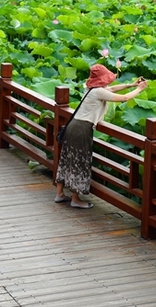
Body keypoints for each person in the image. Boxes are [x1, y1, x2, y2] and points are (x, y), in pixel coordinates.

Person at [55, 64, 148, 209]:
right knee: (79, 161)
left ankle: (60, 193)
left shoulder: (91, 89)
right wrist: (139, 89)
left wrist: (132, 84)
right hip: (82, 129)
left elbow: (111, 89)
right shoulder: (98, 92)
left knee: (67, 159)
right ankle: (75, 199)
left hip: (73, 126)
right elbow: (123, 98)